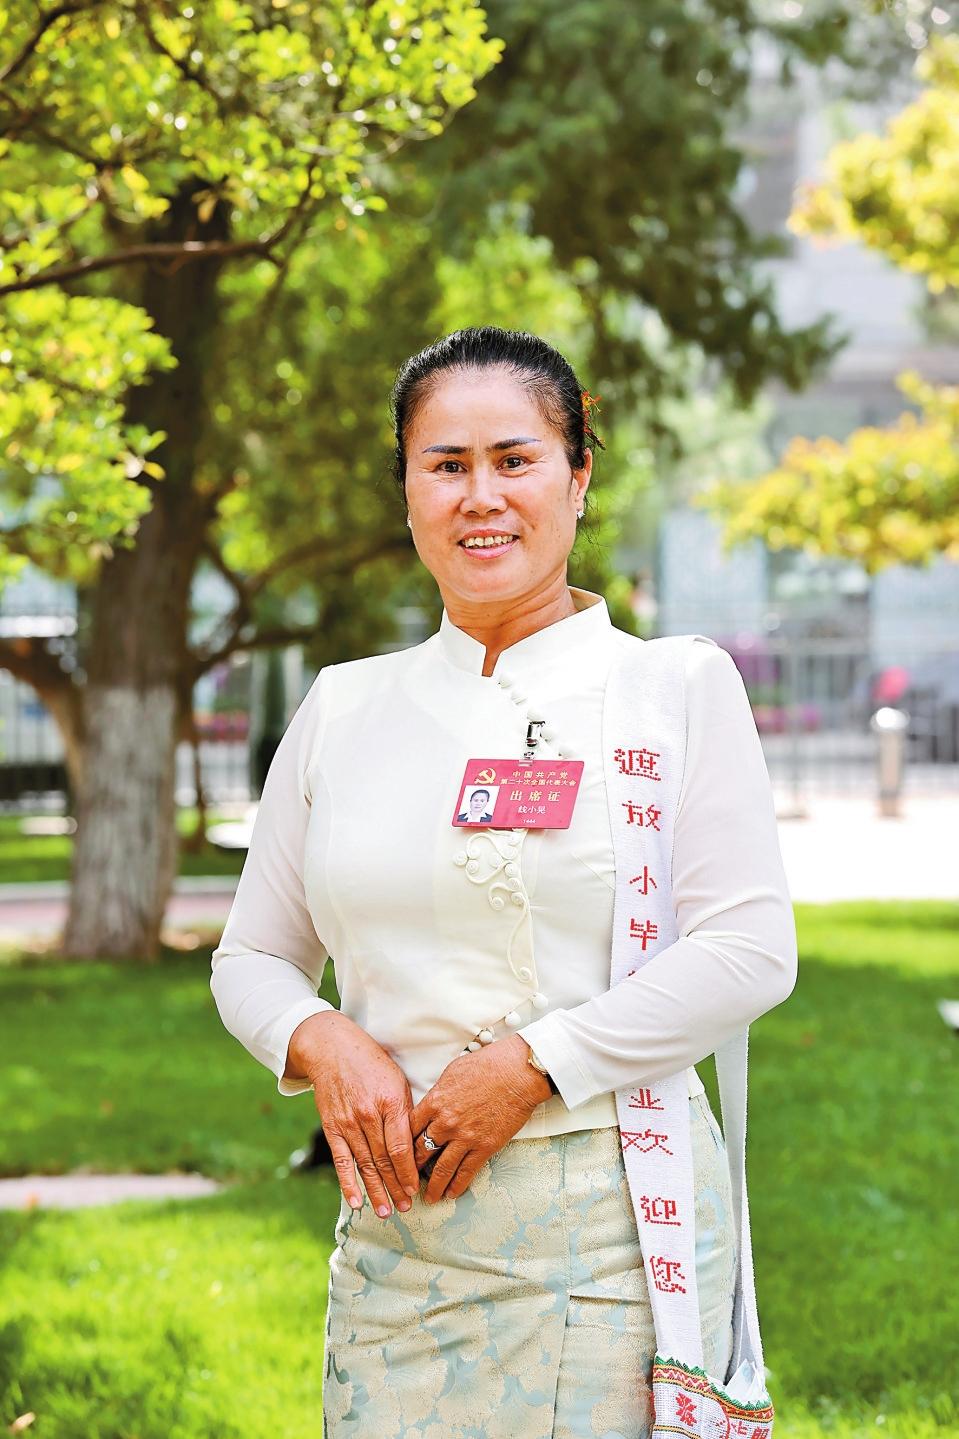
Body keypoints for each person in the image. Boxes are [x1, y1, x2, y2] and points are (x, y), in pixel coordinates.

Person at [209, 326, 798, 1438]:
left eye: (514, 459)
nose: (480, 495)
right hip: (397, 1245)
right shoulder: (344, 706)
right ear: (407, 492)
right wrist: (320, 1039)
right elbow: (252, 955)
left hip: (612, 1232)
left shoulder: (667, 689)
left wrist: (533, 1064)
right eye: (445, 464)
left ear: (577, 477)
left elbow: (747, 950)